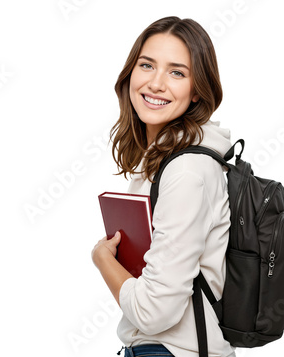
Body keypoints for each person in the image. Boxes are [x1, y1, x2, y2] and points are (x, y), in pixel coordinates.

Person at [91, 16, 236, 357]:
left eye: (177, 72)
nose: (156, 83)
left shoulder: (187, 170)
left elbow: (153, 312)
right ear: (131, 74)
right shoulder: (163, 160)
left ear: (197, 89)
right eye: (147, 65)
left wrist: (101, 259)